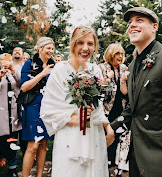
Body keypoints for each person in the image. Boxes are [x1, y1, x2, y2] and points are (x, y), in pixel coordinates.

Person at [107, 7, 162, 177]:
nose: (132, 25)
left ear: (154, 27)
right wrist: (110, 129)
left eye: (139, 20)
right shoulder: (133, 65)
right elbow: (134, 110)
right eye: (129, 22)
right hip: (136, 159)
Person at [40, 26, 112, 177]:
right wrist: (72, 119)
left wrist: (108, 127)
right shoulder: (59, 70)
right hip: (70, 135)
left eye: (90, 43)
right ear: (73, 44)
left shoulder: (96, 70)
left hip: (94, 134)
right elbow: (47, 110)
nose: (85, 48)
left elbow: (98, 107)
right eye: (80, 42)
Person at [21, 37, 55, 177]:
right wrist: (42, 74)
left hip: (48, 106)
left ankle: (39, 175)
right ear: (40, 48)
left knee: (43, 145)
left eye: (52, 48)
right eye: (48, 48)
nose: (51, 51)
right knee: (33, 145)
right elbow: (24, 87)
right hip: (33, 105)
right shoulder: (29, 64)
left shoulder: (54, 65)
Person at [0, 53, 22, 177]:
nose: (5, 62)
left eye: (8, 60)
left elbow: (21, 83)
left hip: (13, 114)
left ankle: (12, 168)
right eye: (3, 60)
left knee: (12, 142)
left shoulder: (14, 74)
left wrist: (13, 70)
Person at [98, 43, 128, 172]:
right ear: (111, 54)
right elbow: (99, 92)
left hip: (120, 108)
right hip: (106, 109)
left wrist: (122, 81)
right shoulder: (101, 68)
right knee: (105, 137)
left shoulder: (124, 69)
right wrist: (107, 79)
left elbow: (125, 93)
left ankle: (114, 166)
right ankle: (103, 164)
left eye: (121, 54)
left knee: (117, 137)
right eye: (117, 54)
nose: (120, 56)